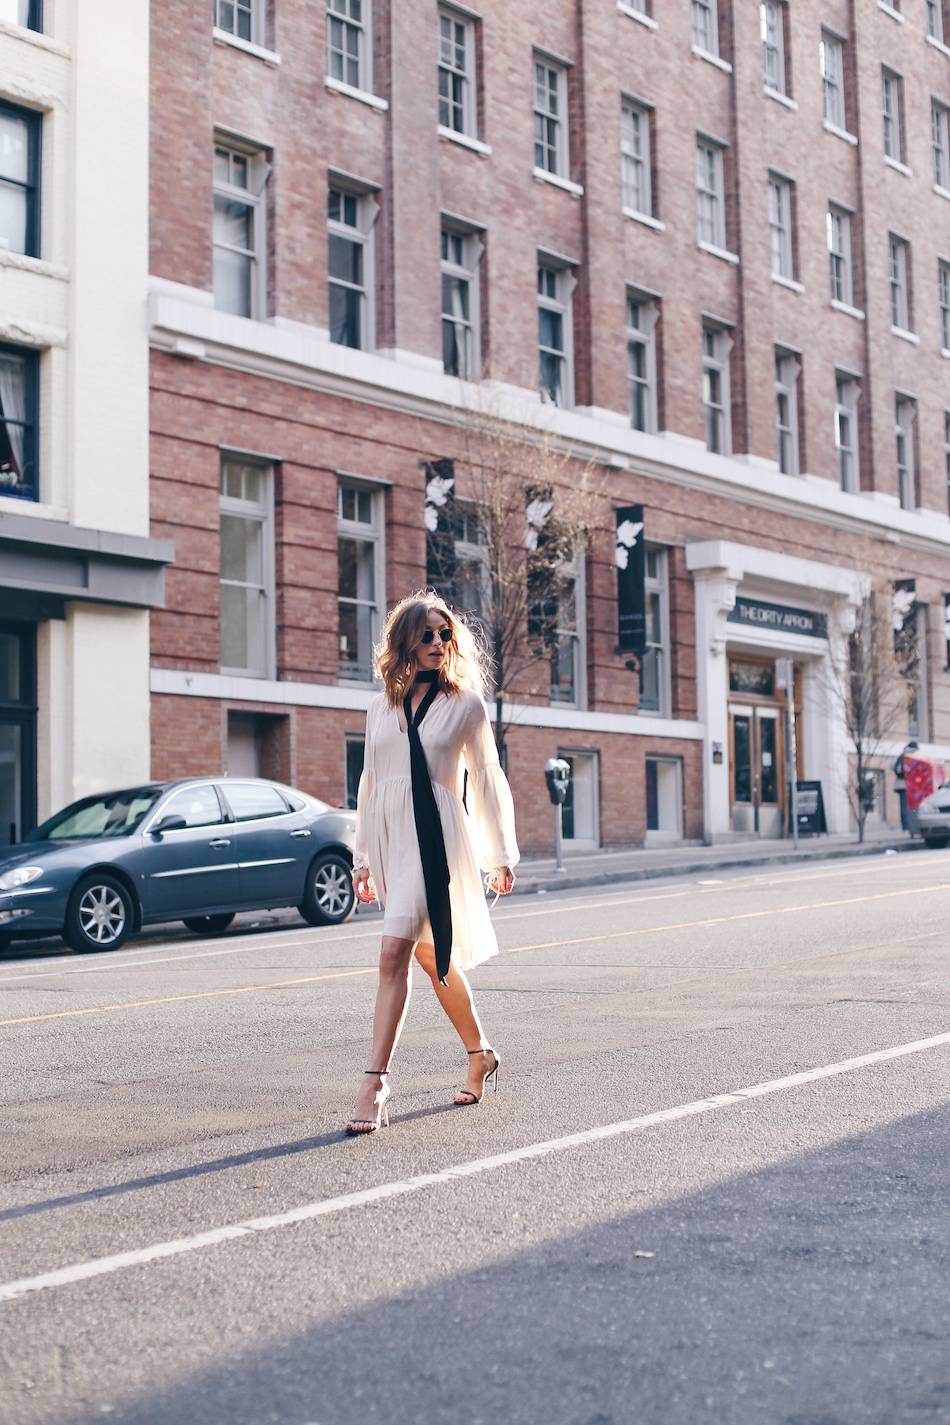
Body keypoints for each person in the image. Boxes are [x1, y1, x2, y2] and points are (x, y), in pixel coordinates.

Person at [345, 590, 520, 1135]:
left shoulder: (466, 705)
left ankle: (374, 1083)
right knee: (430, 956)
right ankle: (480, 1053)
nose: (439, 643)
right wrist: (363, 858)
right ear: (405, 642)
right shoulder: (379, 708)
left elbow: (488, 777)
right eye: (427, 634)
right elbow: (371, 785)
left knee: (392, 951)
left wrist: (500, 854)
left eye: (446, 634)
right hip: (394, 839)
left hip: (436, 841)